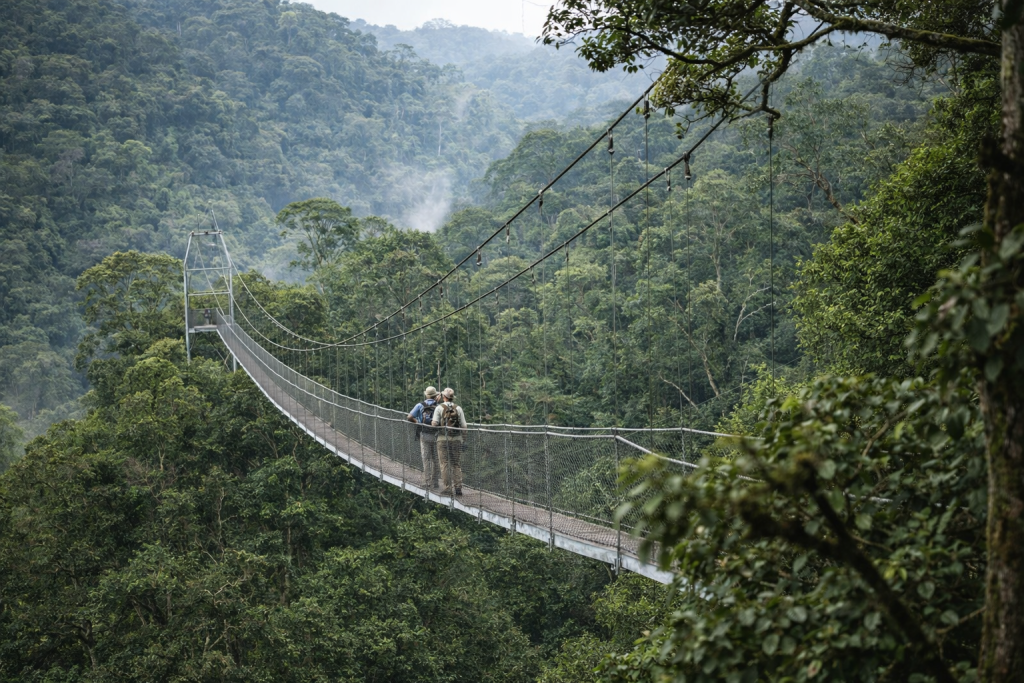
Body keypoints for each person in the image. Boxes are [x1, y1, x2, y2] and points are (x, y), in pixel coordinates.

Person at [431, 387, 467, 496]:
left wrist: (434, 424)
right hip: (456, 440)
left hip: (442, 439)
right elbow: (464, 426)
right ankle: (458, 488)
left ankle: (447, 488)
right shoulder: (458, 408)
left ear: (444, 397)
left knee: (444, 464)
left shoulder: (439, 408)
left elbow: (434, 423)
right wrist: (464, 440)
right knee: (456, 464)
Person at [406, 386, 440, 488]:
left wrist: (418, 422)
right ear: (435, 396)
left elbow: (409, 417)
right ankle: (435, 482)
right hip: (436, 435)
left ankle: (427, 481)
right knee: (435, 459)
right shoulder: (439, 407)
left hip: (424, 434)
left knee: (426, 458)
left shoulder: (420, 405)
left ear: (426, 395)